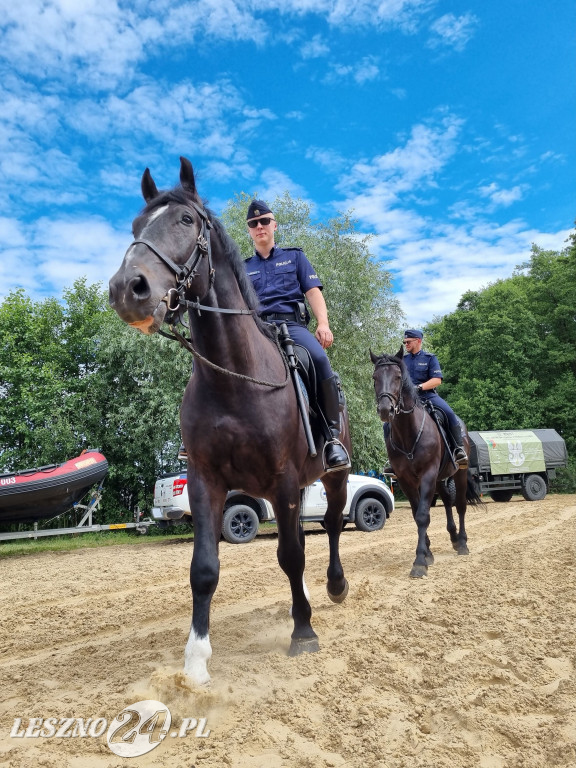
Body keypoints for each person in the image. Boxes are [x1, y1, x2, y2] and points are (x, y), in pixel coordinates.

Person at [243, 199, 350, 470]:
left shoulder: (295, 257)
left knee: (320, 360)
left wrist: (323, 323)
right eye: (253, 224)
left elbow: (313, 292)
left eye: (264, 221)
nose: (259, 227)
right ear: (249, 230)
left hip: (291, 327)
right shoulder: (241, 268)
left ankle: (332, 438)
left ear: (274, 225)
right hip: (256, 330)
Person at [402, 329, 468, 468]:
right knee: (388, 424)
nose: (405, 344)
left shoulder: (430, 358)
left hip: (427, 395)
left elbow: (437, 380)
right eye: (404, 342)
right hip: (408, 399)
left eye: (408, 342)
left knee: (449, 413)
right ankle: (393, 459)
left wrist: (419, 387)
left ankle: (458, 449)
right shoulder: (402, 360)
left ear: (418, 341)